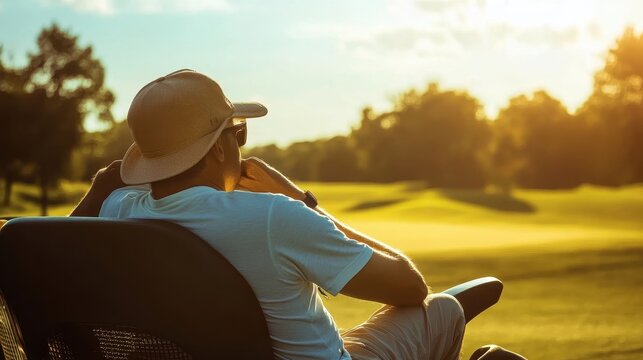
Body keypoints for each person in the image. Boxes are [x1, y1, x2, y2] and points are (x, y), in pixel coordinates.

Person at [70, 69, 524, 360]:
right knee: (439, 308)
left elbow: (55, 252)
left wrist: (103, 185)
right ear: (219, 145)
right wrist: (302, 201)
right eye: (238, 132)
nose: (240, 142)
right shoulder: (272, 217)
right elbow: (408, 285)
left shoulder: (116, 209)